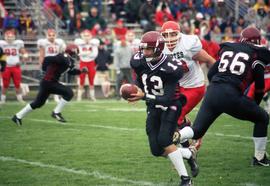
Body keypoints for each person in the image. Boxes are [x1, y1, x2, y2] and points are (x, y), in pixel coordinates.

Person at [174, 26, 270, 167]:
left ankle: (179, 135)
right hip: (231, 95)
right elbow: (260, 87)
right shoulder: (257, 54)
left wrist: (219, 85)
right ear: (257, 41)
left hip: (213, 91)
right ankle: (260, 158)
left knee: (197, 130)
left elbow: (212, 73)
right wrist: (253, 104)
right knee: (262, 117)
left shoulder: (229, 49)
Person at [128, 31, 198, 186]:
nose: (144, 52)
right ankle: (188, 153)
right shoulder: (139, 61)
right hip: (153, 106)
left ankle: (186, 180)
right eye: (143, 48)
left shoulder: (171, 67)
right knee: (156, 150)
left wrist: (143, 96)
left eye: (148, 49)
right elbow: (140, 79)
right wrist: (135, 90)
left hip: (171, 105)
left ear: (158, 49)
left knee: (165, 140)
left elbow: (166, 99)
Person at [161, 21, 216, 150]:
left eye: (173, 34)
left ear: (179, 34)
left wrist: (220, 78)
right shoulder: (160, 48)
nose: (169, 39)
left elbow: (209, 60)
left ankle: (186, 149)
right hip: (177, 87)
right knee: (168, 114)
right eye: (166, 35)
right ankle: (188, 142)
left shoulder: (188, 44)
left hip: (194, 86)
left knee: (174, 117)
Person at [11, 44, 88, 126]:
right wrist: (44, 69)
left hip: (48, 83)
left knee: (38, 103)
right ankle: (56, 112)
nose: (77, 54)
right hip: (49, 82)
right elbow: (47, 59)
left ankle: (17, 116)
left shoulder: (69, 60)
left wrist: (80, 71)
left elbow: (70, 71)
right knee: (69, 92)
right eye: (76, 52)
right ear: (72, 51)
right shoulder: (63, 57)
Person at [37, 28, 66, 102]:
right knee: (46, 82)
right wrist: (41, 63)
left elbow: (60, 54)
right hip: (48, 64)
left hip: (56, 64)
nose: (51, 36)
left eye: (53, 35)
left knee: (56, 81)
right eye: (50, 35)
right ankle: (43, 97)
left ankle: (56, 97)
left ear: (56, 36)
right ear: (46, 36)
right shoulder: (43, 42)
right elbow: (41, 54)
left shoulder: (59, 42)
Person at [0, 30, 28, 103]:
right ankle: (2, 99)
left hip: (16, 66)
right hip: (5, 67)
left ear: (14, 37)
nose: (9, 38)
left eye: (11, 36)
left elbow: (24, 53)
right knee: (5, 84)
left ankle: (20, 99)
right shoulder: (1, 44)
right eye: (8, 37)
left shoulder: (18, 43)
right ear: (5, 37)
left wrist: (23, 59)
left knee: (17, 84)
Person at [74, 29, 100, 101]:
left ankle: (92, 97)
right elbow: (79, 53)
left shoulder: (94, 42)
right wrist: (88, 53)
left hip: (91, 63)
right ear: (82, 36)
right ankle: (79, 97)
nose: (86, 37)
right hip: (83, 63)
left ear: (91, 36)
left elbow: (94, 55)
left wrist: (84, 53)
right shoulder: (79, 42)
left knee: (91, 81)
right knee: (81, 80)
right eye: (85, 35)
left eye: (88, 35)